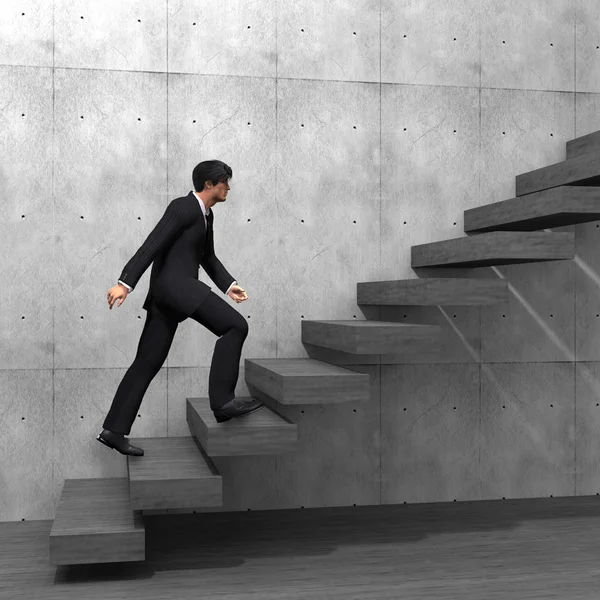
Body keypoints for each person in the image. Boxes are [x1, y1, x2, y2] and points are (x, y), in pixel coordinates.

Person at [96, 160, 264, 457]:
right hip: (176, 287)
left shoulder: (206, 215)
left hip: (168, 294)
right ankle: (223, 402)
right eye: (225, 182)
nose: (229, 187)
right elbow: (151, 244)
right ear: (209, 184)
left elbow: (208, 258)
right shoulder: (182, 207)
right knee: (235, 326)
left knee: (146, 362)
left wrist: (229, 285)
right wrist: (124, 283)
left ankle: (114, 430)